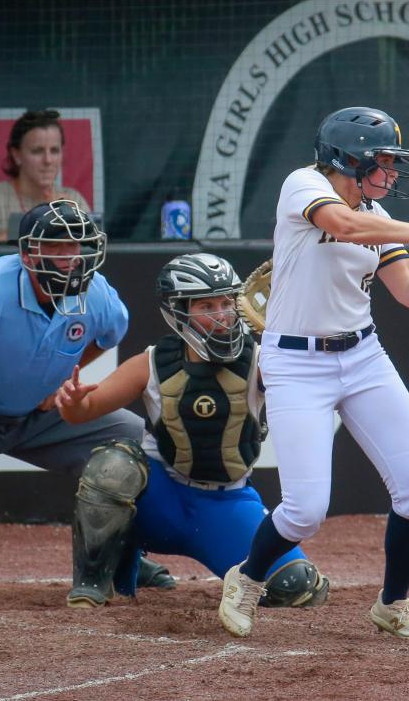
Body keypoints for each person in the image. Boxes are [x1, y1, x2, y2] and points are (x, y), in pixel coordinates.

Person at [215, 106, 409, 642]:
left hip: (362, 357)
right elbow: (340, 224)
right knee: (305, 511)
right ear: (346, 158)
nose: (389, 174)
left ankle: (394, 603)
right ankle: (247, 577)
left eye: (392, 163)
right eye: (381, 162)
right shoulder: (304, 184)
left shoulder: (377, 214)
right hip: (296, 363)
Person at [0, 199, 174, 591]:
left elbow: (108, 336)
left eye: (77, 246)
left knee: (133, 437)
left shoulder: (96, 294)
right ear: (26, 253)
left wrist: (58, 382)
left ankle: (123, 556)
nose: (70, 258)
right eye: (55, 246)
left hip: (39, 414)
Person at [53, 252, 330, 610]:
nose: (221, 315)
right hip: (161, 499)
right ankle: (95, 581)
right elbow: (84, 411)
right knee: (113, 466)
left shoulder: (262, 359)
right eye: (206, 306)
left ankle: (133, 562)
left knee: (296, 588)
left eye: (226, 303)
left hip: (225, 503)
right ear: (178, 311)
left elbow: (310, 386)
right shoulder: (152, 362)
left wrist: (294, 344)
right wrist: (73, 402)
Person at [0, 109, 89, 243]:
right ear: (17, 155)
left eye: (54, 151)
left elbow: (94, 251)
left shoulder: (74, 200)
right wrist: (41, 216)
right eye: (37, 151)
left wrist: (71, 220)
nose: (48, 160)